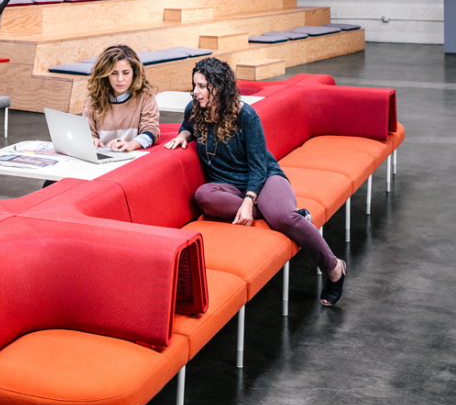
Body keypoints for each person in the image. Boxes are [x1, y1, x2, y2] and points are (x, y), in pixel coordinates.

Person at [164, 57, 347, 307]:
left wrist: (249, 200)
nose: (195, 91)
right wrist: (184, 135)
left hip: (264, 177)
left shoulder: (245, 115)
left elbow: (259, 165)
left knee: (284, 218)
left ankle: (334, 267)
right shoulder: (194, 109)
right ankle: (279, 212)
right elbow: (188, 126)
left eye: (202, 86)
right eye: (194, 85)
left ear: (219, 87)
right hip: (227, 186)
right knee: (203, 196)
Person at [82, 44, 160, 151]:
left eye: (126, 73)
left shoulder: (145, 96)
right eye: (114, 73)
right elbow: (86, 132)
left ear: (134, 73)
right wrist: (92, 140)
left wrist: (131, 144)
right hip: (102, 154)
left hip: (133, 154)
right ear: (105, 75)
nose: (120, 79)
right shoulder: (93, 99)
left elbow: (151, 130)